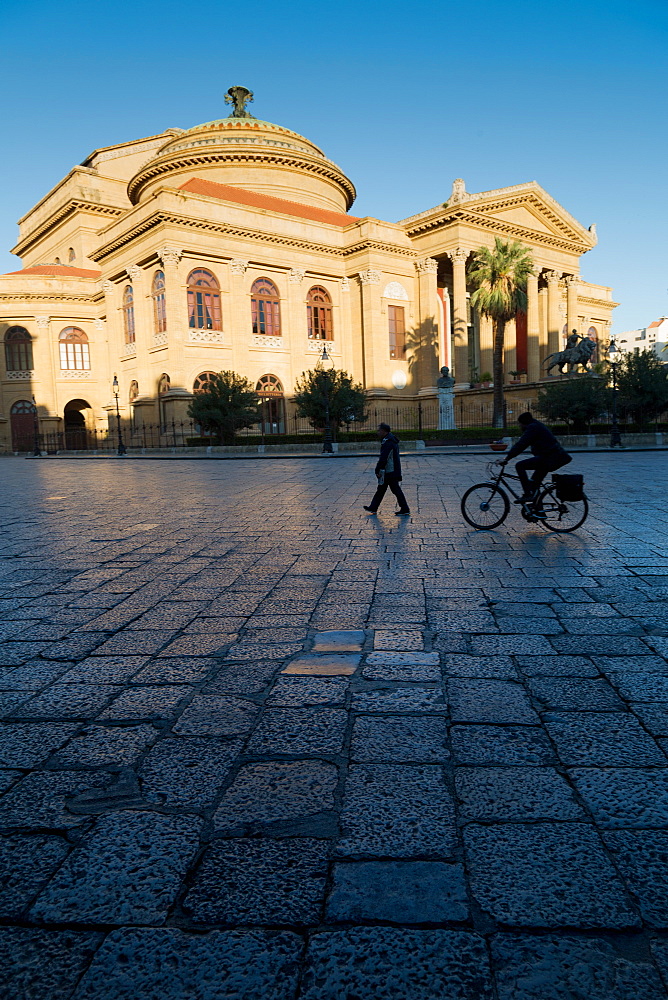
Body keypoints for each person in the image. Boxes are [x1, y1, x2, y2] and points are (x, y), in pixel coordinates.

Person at [500, 411, 572, 503]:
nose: (520, 426)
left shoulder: (533, 427)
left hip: (550, 458)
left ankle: (528, 494)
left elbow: (521, 444)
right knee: (534, 485)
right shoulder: (536, 425)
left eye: (520, 424)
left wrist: (507, 458)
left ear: (524, 423)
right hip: (550, 458)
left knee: (520, 465)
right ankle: (539, 512)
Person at [364, 423, 410, 515]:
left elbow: (384, 458)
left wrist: (378, 469)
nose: (378, 432)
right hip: (391, 470)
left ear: (384, 431)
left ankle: (405, 508)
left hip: (390, 471)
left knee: (395, 490)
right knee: (381, 489)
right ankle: (373, 507)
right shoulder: (389, 440)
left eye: (379, 430)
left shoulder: (388, 442)